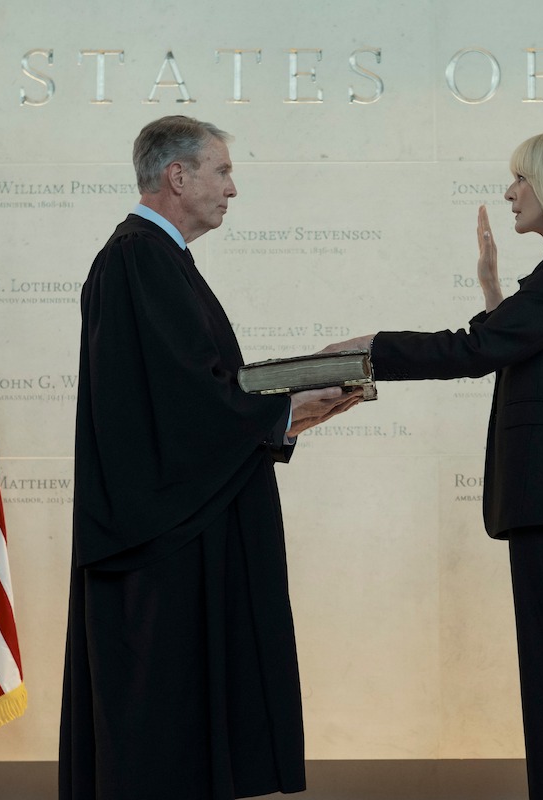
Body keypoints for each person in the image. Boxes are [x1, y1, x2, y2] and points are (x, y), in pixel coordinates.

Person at [60, 115, 360, 800]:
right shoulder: (138, 257)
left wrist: (292, 399)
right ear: (177, 176)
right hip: (159, 547)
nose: (233, 189)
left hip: (177, 533)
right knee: (165, 737)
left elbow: (196, 389)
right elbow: (184, 401)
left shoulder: (153, 258)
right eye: (222, 171)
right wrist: (284, 409)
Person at [326, 132, 543, 800]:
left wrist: (374, 348)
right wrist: (493, 286)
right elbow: (519, 348)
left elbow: (479, 349)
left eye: (520, 178)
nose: (509, 192)